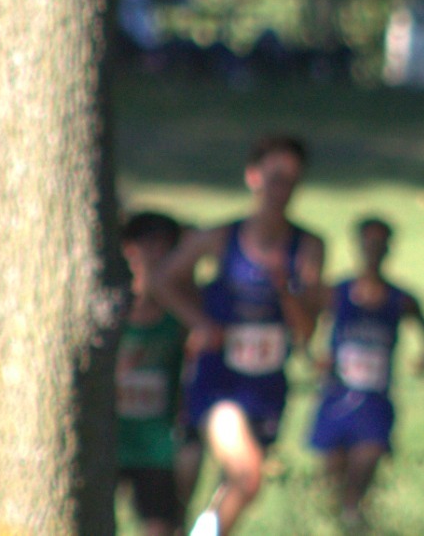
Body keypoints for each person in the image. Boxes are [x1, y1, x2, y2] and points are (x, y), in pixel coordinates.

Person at [157, 135, 324, 536]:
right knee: (248, 475)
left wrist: (287, 291)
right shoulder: (220, 238)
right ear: (253, 177)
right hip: (220, 382)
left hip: (268, 386)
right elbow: (164, 280)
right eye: (274, 178)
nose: (281, 191)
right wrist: (198, 321)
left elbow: (306, 331)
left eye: (291, 181)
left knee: (237, 489)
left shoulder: (308, 247)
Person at [308, 216, 424, 528]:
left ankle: (355, 518)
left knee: (363, 469)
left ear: (388, 250)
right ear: (358, 247)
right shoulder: (335, 293)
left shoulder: (401, 299)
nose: (373, 251)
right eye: (368, 244)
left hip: (375, 402)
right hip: (336, 397)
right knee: (333, 481)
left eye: (380, 245)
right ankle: (340, 522)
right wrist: (313, 356)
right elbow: (303, 327)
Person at [115, 211, 189, 536]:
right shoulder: (109, 312)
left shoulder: (181, 316)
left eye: (165, 249)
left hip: (157, 449)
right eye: (146, 247)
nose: (154, 257)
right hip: (109, 441)